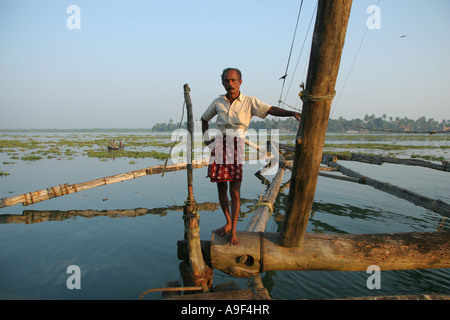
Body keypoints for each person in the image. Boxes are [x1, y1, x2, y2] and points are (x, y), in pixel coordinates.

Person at [201, 68, 301, 246]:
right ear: (222, 82)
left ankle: (233, 231)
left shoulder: (249, 102)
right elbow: (204, 118)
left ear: (240, 82)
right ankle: (228, 222)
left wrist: (291, 113)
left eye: (233, 80)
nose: (230, 83)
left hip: (235, 146)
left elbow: (270, 109)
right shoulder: (218, 102)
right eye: (226, 80)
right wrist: (207, 140)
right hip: (219, 145)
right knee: (221, 188)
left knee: (235, 191)